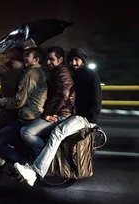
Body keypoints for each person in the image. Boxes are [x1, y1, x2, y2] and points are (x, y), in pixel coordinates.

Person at [14, 48, 102, 186]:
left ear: (83, 61)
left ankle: (35, 171)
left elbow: (95, 99)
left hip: (84, 117)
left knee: (57, 133)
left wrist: (92, 120)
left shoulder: (90, 75)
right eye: (71, 60)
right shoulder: (72, 74)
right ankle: (41, 161)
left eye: (77, 59)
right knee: (53, 133)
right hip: (75, 114)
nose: (74, 62)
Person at [0, 47, 47, 165]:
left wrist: (1, 101)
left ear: (36, 59)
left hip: (26, 118)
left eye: (28, 55)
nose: (25, 57)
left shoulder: (31, 74)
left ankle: (21, 164)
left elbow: (19, 101)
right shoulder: (37, 72)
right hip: (31, 115)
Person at [20, 46, 75, 158]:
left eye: (52, 59)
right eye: (47, 59)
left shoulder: (61, 71)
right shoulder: (55, 72)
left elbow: (64, 92)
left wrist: (49, 113)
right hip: (58, 112)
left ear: (60, 60)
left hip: (61, 114)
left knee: (26, 132)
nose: (48, 62)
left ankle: (46, 157)